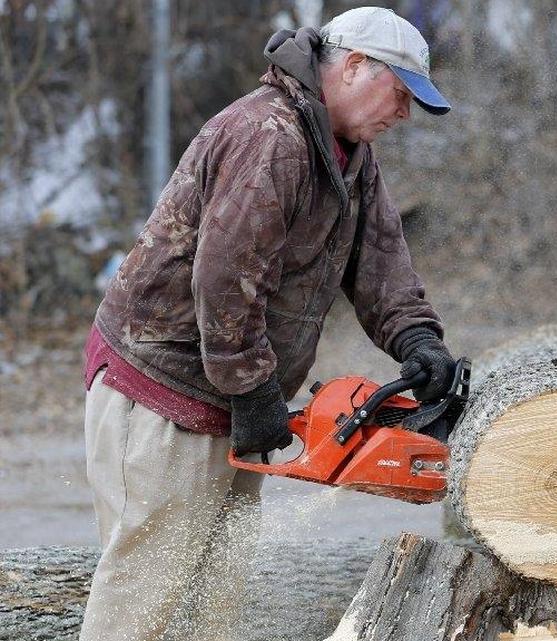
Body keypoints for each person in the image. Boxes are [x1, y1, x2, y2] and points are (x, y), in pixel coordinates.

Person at [79, 7, 455, 640]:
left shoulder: (348, 153)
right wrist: (254, 388)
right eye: (400, 93)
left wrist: (416, 336)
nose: (404, 113)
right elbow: (225, 278)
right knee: (144, 605)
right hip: (167, 388)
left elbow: (380, 258)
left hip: (229, 391)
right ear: (356, 67)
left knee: (212, 606)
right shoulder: (270, 136)